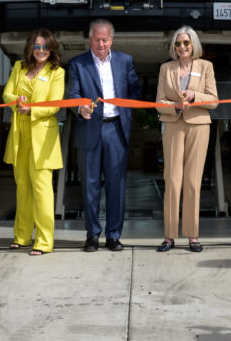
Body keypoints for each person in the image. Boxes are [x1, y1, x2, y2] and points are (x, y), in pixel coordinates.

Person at [66, 19, 141, 252]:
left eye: (105, 39)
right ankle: (92, 235)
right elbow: (72, 94)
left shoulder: (125, 61)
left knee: (116, 186)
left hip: (116, 129)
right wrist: (81, 108)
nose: (101, 43)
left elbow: (135, 91)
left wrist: (128, 107)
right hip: (88, 129)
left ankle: (114, 235)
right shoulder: (77, 64)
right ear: (90, 39)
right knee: (90, 187)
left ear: (112, 40)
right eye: (97, 39)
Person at [154, 26, 218, 253]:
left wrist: (194, 96)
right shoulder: (165, 68)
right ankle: (169, 236)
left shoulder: (206, 67)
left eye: (186, 43)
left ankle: (193, 236)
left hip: (199, 125)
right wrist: (175, 106)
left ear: (194, 45)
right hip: (172, 125)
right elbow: (159, 101)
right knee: (172, 180)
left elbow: (213, 101)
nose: (182, 47)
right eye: (178, 43)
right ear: (173, 46)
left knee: (192, 181)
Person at [2, 28, 65, 255]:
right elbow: (7, 94)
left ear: (51, 49)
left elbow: (55, 103)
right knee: (22, 189)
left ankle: (44, 241)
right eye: (36, 46)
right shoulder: (18, 67)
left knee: (42, 191)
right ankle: (22, 236)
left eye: (45, 46)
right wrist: (16, 100)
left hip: (43, 137)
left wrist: (32, 110)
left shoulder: (57, 72)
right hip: (20, 135)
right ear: (30, 47)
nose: (40, 50)